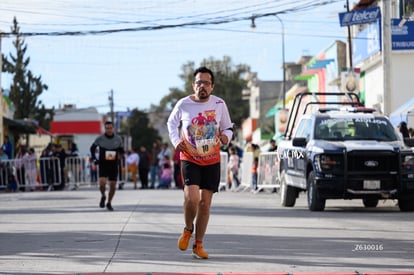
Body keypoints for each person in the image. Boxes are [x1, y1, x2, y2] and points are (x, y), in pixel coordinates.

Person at [167, 66, 233, 259]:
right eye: (198, 82)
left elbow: (228, 127)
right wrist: (176, 141)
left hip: (212, 159)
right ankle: (188, 229)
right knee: (192, 198)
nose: (201, 86)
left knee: (205, 204)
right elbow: (171, 123)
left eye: (206, 83)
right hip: (190, 157)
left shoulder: (220, 104)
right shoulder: (183, 104)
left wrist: (225, 137)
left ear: (212, 86)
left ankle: (198, 245)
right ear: (193, 85)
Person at [90, 121, 124, 211]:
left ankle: (109, 203)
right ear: (105, 129)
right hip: (103, 164)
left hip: (113, 165)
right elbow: (92, 148)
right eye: (107, 128)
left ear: (113, 128)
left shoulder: (118, 139)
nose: (109, 130)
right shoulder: (100, 138)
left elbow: (121, 150)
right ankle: (103, 196)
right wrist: (94, 159)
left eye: (110, 128)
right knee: (102, 183)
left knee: (113, 185)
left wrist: (120, 156)